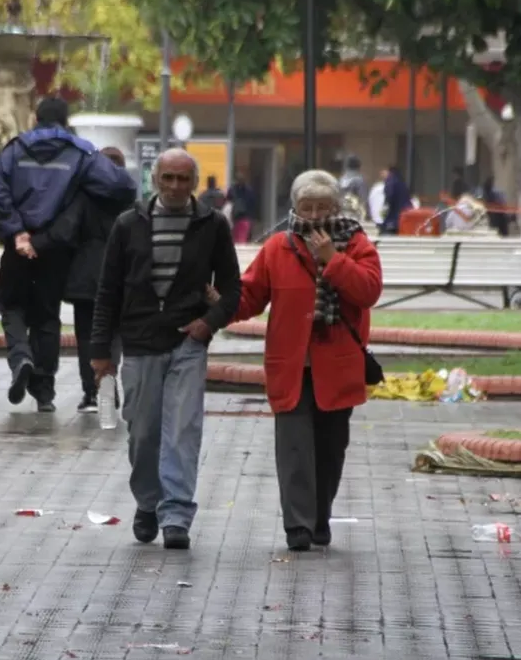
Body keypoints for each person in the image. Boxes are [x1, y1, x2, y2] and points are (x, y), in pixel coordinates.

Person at [222, 169, 382, 551]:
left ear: (336, 208)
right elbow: (251, 296)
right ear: (294, 208)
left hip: (337, 365)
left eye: (322, 208)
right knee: (293, 447)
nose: (313, 216)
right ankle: (298, 526)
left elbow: (368, 291)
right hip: (290, 364)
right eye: (306, 208)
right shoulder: (278, 247)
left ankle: (320, 516)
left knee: (330, 448)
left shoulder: (357, 244)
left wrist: (333, 258)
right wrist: (217, 305)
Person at [90, 148, 241, 550]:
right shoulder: (128, 225)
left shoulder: (212, 226)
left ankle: (175, 515)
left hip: (186, 344)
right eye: (168, 178)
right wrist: (100, 352)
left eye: (183, 179)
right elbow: (107, 292)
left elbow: (232, 289)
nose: (175, 186)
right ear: (155, 180)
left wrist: (208, 324)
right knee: (143, 434)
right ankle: (147, 502)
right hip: (139, 343)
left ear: (195, 183)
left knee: (182, 433)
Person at [0, 97, 135, 413]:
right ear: (65, 120)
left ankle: (20, 358)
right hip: (55, 250)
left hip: (17, 246)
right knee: (46, 316)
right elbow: (122, 185)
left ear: (35, 117)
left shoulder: (14, 149)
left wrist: (17, 232)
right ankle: (44, 392)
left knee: (11, 306)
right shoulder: (81, 152)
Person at [27, 146, 134, 413]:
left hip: (86, 276)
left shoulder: (84, 197)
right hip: (121, 275)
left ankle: (92, 394)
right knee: (114, 335)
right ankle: (108, 387)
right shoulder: (130, 199)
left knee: (87, 335)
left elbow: (65, 231)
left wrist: (35, 242)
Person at [379, 166, 412, 234]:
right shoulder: (401, 181)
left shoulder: (390, 181)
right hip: (404, 213)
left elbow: (389, 196)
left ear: (388, 172)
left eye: (382, 173)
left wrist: (386, 206)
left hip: (394, 216)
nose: (381, 175)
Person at [226, 170, 257, 242]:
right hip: (245, 218)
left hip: (234, 218)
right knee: (242, 240)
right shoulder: (249, 190)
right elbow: (253, 205)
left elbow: (228, 201)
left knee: (235, 240)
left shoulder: (232, 189)